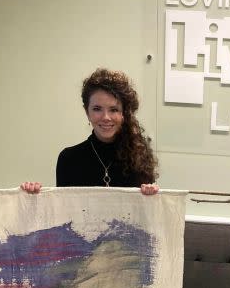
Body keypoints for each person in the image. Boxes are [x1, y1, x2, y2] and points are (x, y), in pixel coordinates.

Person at [21, 68, 159, 194]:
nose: (106, 117)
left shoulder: (139, 158)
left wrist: (151, 197)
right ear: (87, 112)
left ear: (124, 114)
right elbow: (62, 213)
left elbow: (145, 217)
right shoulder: (68, 159)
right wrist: (33, 197)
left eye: (114, 110)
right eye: (97, 109)